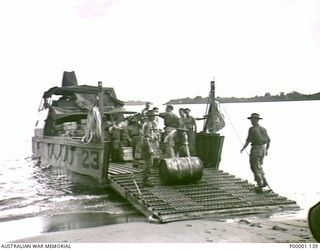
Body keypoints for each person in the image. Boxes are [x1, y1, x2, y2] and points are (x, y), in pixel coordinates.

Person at [240, 113, 271, 193]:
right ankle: (264, 182)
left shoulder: (252, 129)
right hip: (263, 149)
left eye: (252, 119)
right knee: (259, 166)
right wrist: (266, 150)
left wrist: (243, 148)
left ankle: (260, 185)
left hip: (256, 149)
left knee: (254, 167)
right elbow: (268, 140)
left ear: (255, 120)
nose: (251, 121)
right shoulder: (263, 128)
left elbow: (248, 140)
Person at [141, 110, 160, 187]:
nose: (154, 117)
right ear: (150, 117)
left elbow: (154, 135)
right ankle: (146, 180)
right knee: (148, 163)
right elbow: (146, 138)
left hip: (151, 144)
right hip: (147, 145)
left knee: (151, 163)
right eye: (153, 116)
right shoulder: (147, 125)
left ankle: (147, 179)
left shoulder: (152, 123)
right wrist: (150, 148)